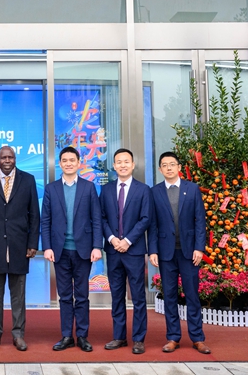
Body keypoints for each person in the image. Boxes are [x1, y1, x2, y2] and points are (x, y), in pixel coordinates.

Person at [0, 146, 40, 352]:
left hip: (20, 246)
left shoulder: (28, 180)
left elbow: (34, 216)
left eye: (10, 157)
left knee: (18, 295)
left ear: (15, 158)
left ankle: (18, 335)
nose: (7, 160)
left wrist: (32, 243)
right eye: (3, 157)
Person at [148, 151, 211, 354]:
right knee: (170, 296)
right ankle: (173, 337)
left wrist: (199, 248)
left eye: (172, 164)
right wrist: (153, 250)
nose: (169, 168)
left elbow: (200, 220)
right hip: (166, 253)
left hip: (189, 252)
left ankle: (197, 338)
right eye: (165, 165)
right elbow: (153, 224)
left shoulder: (192, 189)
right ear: (160, 169)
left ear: (179, 167)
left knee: (192, 295)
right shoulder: (154, 192)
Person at [41, 146, 102, 353]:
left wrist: (97, 246)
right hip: (59, 251)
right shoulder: (51, 189)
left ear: (78, 163)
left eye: (72, 160)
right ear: (60, 164)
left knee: (82, 295)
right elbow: (46, 220)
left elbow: (96, 219)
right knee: (65, 296)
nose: (68, 163)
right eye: (65, 160)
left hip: (83, 250)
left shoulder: (88, 187)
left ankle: (82, 336)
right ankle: (67, 335)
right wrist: (47, 247)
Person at [99, 148, 152, 354]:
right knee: (117, 295)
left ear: (133, 164)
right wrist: (112, 239)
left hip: (134, 251)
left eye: (126, 161)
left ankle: (138, 339)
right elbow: (102, 217)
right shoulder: (106, 190)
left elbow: (145, 219)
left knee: (138, 297)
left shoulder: (143, 190)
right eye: (119, 162)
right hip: (113, 251)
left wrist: (127, 240)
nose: (122, 165)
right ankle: (119, 336)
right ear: (114, 165)